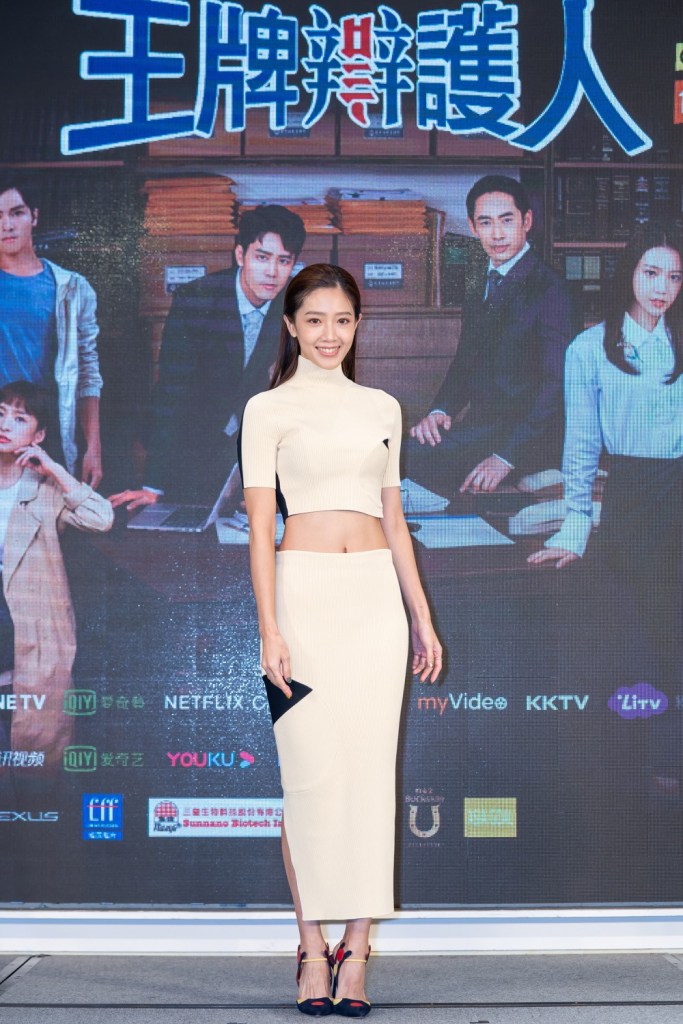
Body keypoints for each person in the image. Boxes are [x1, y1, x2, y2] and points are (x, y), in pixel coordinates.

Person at [239, 264, 442, 1017]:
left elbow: (395, 521)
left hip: (374, 605)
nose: (330, 334)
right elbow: (261, 529)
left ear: (359, 326)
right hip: (303, 598)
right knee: (308, 781)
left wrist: (420, 616)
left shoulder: (382, 406)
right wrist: (270, 628)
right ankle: (309, 944)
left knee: (368, 779)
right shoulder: (266, 409)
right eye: (315, 319)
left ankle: (355, 952)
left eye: (344, 320)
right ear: (291, 326)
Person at [528, 225, 683, 686]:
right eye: (651, 273)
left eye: (675, 277)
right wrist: (576, 523)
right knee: (637, 630)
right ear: (629, 272)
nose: (662, 288)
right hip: (633, 496)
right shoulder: (589, 349)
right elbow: (581, 442)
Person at [110, 204, 306, 509]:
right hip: (186, 443)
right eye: (262, 257)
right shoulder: (196, 301)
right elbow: (171, 393)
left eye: (284, 261)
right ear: (240, 255)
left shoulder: (294, 305)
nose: (272, 271)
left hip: (241, 448)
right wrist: (153, 485)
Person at [404, 174, 576, 499]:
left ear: (526, 221)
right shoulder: (479, 277)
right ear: (473, 227)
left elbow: (557, 385)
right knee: (389, 452)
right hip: (479, 430)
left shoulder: (551, 290)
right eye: (486, 222)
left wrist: (505, 457)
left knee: (396, 459)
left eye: (506, 220)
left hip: (528, 442)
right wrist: (440, 412)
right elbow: (465, 360)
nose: (496, 234)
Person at [0, 381, 113, 777]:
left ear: (39, 435)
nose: (5, 425)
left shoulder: (45, 489)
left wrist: (55, 470)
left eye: (20, 418)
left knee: (36, 766)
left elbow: (102, 518)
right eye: (0, 415)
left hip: (30, 630)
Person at [0, 177, 103, 487]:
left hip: (46, 437)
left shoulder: (69, 287)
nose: (7, 225)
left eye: (16, 213)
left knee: (46, 514)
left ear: (34, 216)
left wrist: (93, 447)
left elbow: (87, 372)